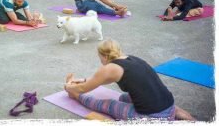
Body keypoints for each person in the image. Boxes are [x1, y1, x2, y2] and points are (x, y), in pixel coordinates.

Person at [64, 39, 196, 121]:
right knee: (123, 97)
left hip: (151, 117)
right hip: (169, 105)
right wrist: (83, 80)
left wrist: (69, 88)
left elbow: (83, 89)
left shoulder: (109, 68)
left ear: (104, 56)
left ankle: (75, 97)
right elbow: (101, 80)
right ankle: (181, 116)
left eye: (99, 56)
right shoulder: (132, 59)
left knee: (107, 104)